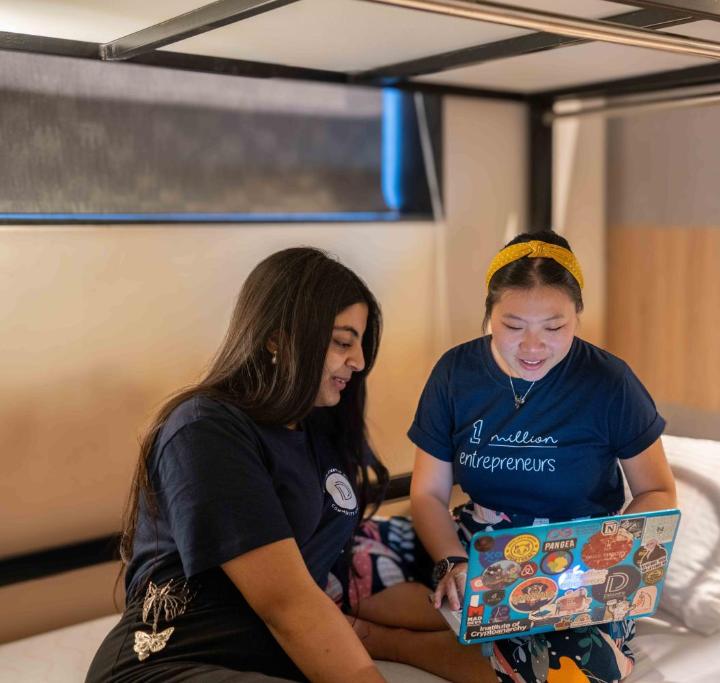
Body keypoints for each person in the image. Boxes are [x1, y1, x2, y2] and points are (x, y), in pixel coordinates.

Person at [86, 247, 406, 682]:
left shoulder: (320, 433)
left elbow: (328, 582)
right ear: (276, 338)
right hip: (169, 664)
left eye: (360, 345)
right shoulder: (205, 430)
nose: (360, 361)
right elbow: (288, 604)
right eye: (343, 342)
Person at [408, 230, 678, 682]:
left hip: (577, 560)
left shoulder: (609, 383)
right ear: (489, 314)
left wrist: (604, 553)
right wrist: (452, 560)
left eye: (555, 328)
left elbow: (657, 490)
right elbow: (427, 494)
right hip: (479, 546)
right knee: (353, 564)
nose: (532, 348)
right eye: (513, 326)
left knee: (570, 668)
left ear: (577, 315)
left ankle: (411, 640)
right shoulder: (456, 373)